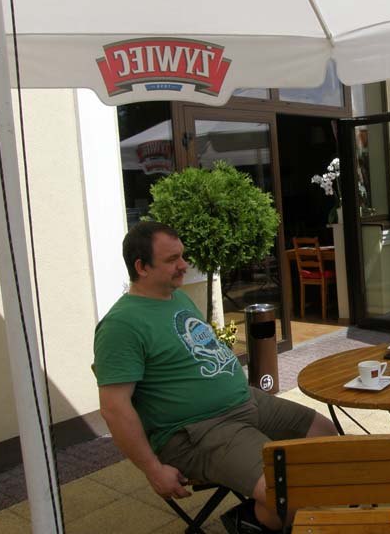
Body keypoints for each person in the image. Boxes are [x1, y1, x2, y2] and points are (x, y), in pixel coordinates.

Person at [94, 221, 337, 534]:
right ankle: (253, 522)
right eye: (172, 260)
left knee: (326, 437)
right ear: (141, 267)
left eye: (182, 255)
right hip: (200, 430)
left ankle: (259, 513)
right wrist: (153, 470)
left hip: (247, 401)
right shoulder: (121, 326)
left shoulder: (177, 298)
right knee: (288, 494)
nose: (184, 265)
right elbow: (114, 408)